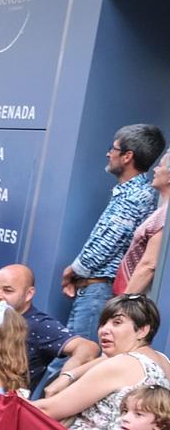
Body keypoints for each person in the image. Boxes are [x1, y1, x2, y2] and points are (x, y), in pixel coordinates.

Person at [36, 293, 169, 430]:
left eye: (117, 323)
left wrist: (7, 403)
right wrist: (68, 376)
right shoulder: (162, 361)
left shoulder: (122, 364)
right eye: (103, 323)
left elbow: (48, 409)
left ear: (142, 330)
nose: (104, 330)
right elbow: (104, 360)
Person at [63, 124, 165, 338]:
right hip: (96, 290)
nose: (109, 153)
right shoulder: (130, 193)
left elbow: (107, 243)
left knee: (77, 357)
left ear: (128, 156)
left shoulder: (134, 195)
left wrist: (73, 269)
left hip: (100, 291)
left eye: (114, 148)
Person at [0, 264, 96, 389]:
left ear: (29, 294)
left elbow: (88, 347)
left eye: (8, 290)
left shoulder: (38, 325)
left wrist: (66, 376)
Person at [113, 156, 170, 297]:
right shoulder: (162, 210)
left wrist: (123, 302)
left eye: (160, 166)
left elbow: (149, 264)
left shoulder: (165, 215)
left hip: (134, 298)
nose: (155, 170)